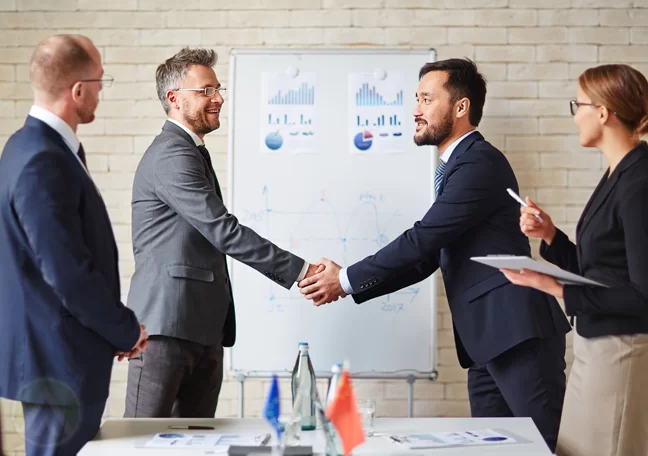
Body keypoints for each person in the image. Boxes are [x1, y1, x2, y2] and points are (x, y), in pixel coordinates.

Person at [299, 58, 571, 451]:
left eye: (427, 99)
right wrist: (349, 286)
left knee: (547, 446)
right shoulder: (458, 166)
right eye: (416, 99)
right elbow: (428, 257)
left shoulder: (479, 162)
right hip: (486, 340)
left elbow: (423, 239)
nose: (415, 110)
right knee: (497, 449)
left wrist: (343, 279)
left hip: (516, 333)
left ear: (461, 108)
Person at [124, 48, 321, 418]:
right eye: (206, 91)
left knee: (197, 444)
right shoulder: (172, 153)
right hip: (166, 329)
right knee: (142, 443)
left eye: (218, 89)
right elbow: (223, 230)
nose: (218, 99)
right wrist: (302, 271)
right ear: (174, 99)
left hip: (202, 330)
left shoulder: (191, 151)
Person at [0, 34, 148, 456]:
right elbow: (68, 273)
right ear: (78, 90)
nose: (103, 90)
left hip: (59, 361)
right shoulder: (41, 160)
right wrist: (124, 329)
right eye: (101, 81)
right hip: (58, 365)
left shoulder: (25, 147)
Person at [501, 64, 648, 456]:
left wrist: (553, 287)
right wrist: (550, 235)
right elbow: (601, 269)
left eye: (577, 105)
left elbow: (642, 294)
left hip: (620, 350)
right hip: (594, 345)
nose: (574, 115)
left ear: (603, 112)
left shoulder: (639, 181)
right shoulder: (619, 173)